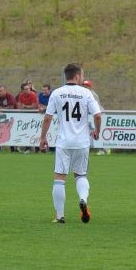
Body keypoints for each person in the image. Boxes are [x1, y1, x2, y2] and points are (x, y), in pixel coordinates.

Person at [39, 63, 102, 224]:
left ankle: (59, 216)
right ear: (78, 76)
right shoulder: (86, 93)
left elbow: (47, 117)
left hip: (64, 142)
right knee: (80, 175)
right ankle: (82, 199)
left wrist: (43, 137)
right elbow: (98, 115)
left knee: (60, 177)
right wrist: (97, 130)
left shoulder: (57, 93)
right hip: (81, 142)